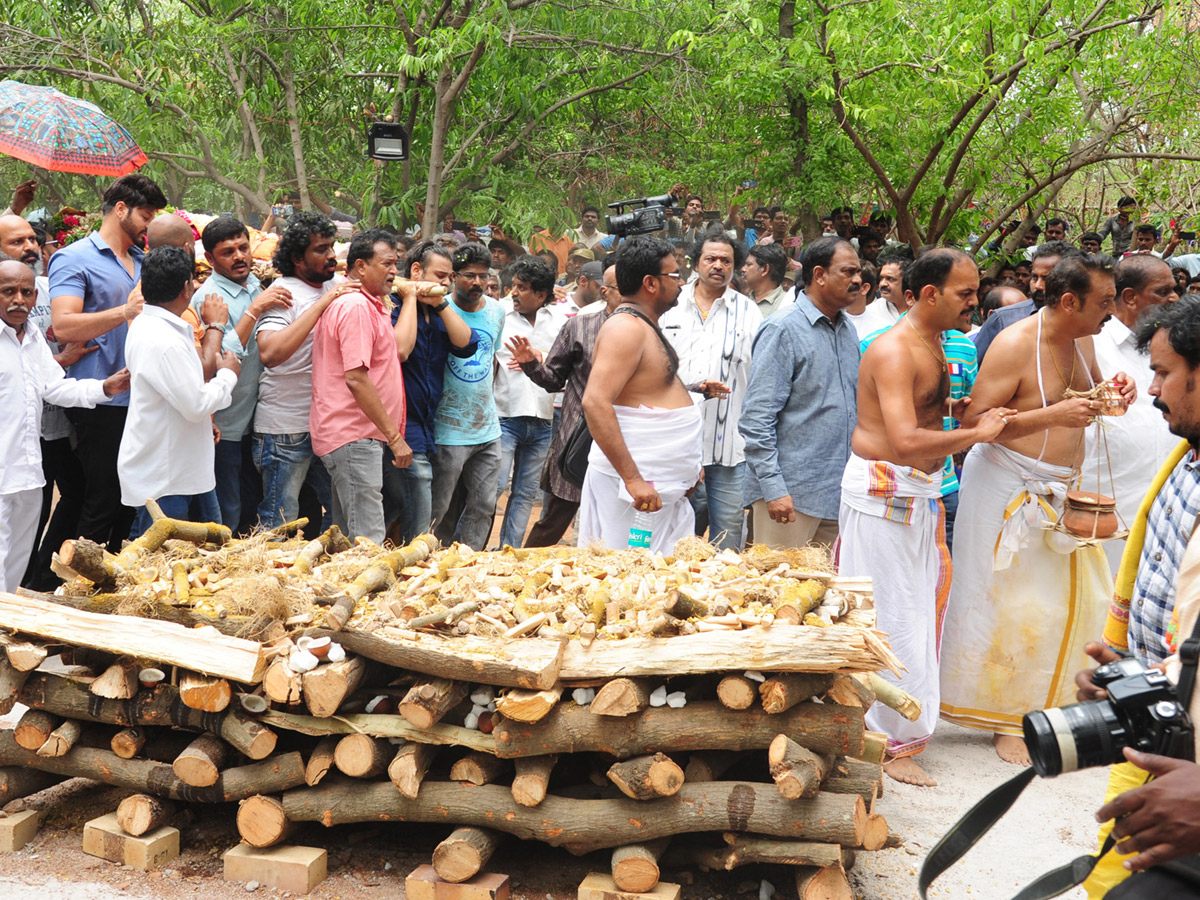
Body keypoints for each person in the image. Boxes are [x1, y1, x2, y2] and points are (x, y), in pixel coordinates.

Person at [940, 255, 1137, 765]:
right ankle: (1003, 718)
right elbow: (978, 423)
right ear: (1069, 302)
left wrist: (1116, 393)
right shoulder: (1013, 343)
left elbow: (1093, 393)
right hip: (1005, 486)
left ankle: (1039, 707)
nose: (1111, 313)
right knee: (1003, 602)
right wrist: (1052, 414)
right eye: (1104, 302)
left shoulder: (1083, 337)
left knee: (1060, 605)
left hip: (1060, 488)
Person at [841, 248, 1012, 787]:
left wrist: (970, 420)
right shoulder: (894, 351)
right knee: (890, 615)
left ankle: (899, 728)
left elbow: (935, 418)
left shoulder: (938, 344)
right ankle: (887, 740)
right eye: (965, 292)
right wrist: (976, 435)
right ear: (930, 295)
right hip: (885, 493)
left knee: (918, 610)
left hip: (918, 493)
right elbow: (905, 439)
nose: (974, 300)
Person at [1076, 296, 1200, 900]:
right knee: (1114, 873)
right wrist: (1137, 674)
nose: (1152, 390)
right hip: (1159, 715)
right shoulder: (1186, 456)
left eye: (1165, 373)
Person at [49, 173, 167, 551]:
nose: (150, 225)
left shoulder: (141, 260)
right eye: (146, 216)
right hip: (98, 399)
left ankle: (103, 583)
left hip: (140, 399)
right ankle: (75, 585)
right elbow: (63, 325)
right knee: (101, 498)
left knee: (129, 500)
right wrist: (124, 311)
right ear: (121, 209)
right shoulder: (74, 258)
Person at [0, 259, 129, 591]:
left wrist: (104, 388)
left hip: (28, 474)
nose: (19, 299)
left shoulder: (30, 338)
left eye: (26, 292)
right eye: (8, 291)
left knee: (16, 560)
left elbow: (54, 387)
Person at [579, 235, 702, 552]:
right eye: (675, 275)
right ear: (650, 283)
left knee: (657, 581)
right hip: (631, 489)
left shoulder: (645, 325)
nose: (681, 283)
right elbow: (595, 401)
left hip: (657, 484)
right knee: (625, 579)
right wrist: (633, 479)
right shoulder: (626, 328)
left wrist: (687, 465)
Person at [739, 237, 861, 549]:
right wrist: (773, 488)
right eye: (848, 272)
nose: (858, 280)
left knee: (829, 594)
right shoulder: (782, 329)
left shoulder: (847, 330)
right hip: (788, 498)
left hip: (837, 492)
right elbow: (756, 419)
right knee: (779, 591)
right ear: (819, 275)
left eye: (858, 272)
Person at [118, 246, 239, 537]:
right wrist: (227, 375)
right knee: (159, 563)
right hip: (165, 477)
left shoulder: (153, 325)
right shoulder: (162, 338)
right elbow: (195, 404)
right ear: (187, 288)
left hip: (176, 467)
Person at [311, 230, 424, 543]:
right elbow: (356, 378)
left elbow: (398, 352)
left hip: (355, 436)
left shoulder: (370, 305)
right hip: (353, 435)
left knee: (348, 535)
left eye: (396, 264)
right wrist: (394, 437)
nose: (394, 271)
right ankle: (366, 590)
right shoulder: (357, 308)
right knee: (368, 539)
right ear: (360, 267)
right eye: (386, 264)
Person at [661, 233, 761, 551]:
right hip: (676, 447)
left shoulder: (750, 313)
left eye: (726, 260)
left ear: (736, 266)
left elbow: (758, 379)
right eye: (711, 258)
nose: (718, 265)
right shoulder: (669, 307)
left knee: (728, 539)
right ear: (696, 261)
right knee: (673, 537)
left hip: (730, 449)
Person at [510, 262, 619, 547]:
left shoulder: (647, 328)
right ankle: (523, 570)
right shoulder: (580, 326)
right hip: (579, 438)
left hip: (627, 439)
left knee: (616, 519)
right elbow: (553, 380)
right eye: (623, 288)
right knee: (557, 516)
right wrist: (531, 364)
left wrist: (696, 389)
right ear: (606, 291)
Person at [1083, 255, 1179, 574]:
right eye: (1163, 291)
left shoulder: (1174, 344)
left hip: (1168, 509)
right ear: (1129, 297)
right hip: (1109, 506)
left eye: (1175, 289)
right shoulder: (1090, 344)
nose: (1174, 298)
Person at [253, 212, 349, 528]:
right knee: (279, 521)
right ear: (297, 258)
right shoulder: (283, 292)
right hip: (284, 428)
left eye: (332, 246)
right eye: (321, 249)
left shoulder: (337, 284)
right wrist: (322, 305)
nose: (332, 255)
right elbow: (270, 353)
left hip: (326, 425)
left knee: (341, 513)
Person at [196, 217, 292, 532]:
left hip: (256, 420)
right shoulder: (208, 299)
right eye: (228, 252)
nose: (239, 256)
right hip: (223, 424)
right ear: (209, 259)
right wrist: (254, 311)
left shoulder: (254, 284)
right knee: (227, 511)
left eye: (243, 247)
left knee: (252, 507)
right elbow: (221, 358)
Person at [385, 241, 475, 544]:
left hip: (426, 428)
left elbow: (467, 345)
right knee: (416, 513)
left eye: (449, 277)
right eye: (440, 275)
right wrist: (410, 297)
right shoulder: (391, 305)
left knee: (395, 508)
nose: (446, 283)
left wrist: (440, 303)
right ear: (415, 271)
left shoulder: (438, 313)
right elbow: (401, 350)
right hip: (397, 427)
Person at [430, 242, 506, 551]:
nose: (477, 283)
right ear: (453, 277)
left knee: (484, 504)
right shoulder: (438, 308)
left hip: (488, 428)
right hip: (447, 431)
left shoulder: (497, 311)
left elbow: (492, 360)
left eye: (483, 276)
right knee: (440, 509)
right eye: (469, 275)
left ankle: (470, 563)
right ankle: (429, 565)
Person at [493, 257, 567, 548]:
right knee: (494, 487)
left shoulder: (559, 322)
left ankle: (508, 552)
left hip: (542, 420)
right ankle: (474, 549)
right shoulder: (499, 314)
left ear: (540, 295)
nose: (514, 292)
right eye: (513, 285)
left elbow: (564, 367)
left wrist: (540, 358)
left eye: (522, 288)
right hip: (504, 416)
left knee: (524, 493)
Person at [972, 240, 1079, 361]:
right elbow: (974, 372)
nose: (1038, 285)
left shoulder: (1089, 325)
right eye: (1034, 277)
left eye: (1047, 278)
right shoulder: (1003, 320)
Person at [741, 242, 791, 320]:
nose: (743, 269)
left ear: (765, 269)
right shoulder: (742, 300)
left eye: (749, 264)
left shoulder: (787, 304)